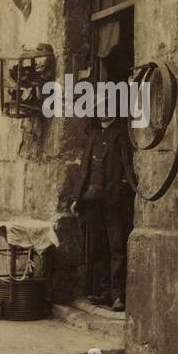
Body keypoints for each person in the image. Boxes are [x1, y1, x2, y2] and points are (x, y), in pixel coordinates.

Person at [71, 111, 137, 310]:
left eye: (106, 106)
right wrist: (77, 197)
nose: (102, 111)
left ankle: (118, 295)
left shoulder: (122, 134)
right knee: (99, 248)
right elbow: (85, 169)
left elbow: (128, 167)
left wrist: (123, 192)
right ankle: (104, 292)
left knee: (116, 247)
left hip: (113, 201)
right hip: (93, 201)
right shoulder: (93, 135)